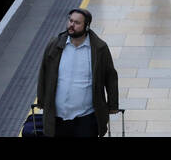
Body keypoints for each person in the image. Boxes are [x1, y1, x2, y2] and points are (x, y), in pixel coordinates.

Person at [37, 8, 120, 137]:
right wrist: (42, 100)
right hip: (57, 117)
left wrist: (113, 104)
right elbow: (44, 73)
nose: (71, 25)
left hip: (86, 118)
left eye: (77, 23)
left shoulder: (99, 49)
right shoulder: (55, 45)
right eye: (70, 21)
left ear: (86, 26)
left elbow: (110, 77)